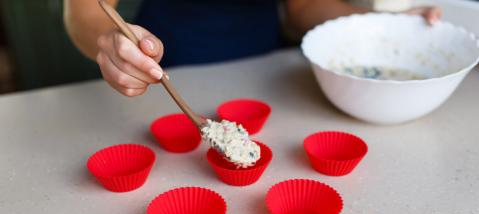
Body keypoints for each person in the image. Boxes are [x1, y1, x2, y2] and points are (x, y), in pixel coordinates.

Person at [64, 0, 441, 97]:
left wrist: (379, 25)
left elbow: (303, 10)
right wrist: (113, 43)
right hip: (163, 79)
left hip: (270, 79)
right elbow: (83, 11)